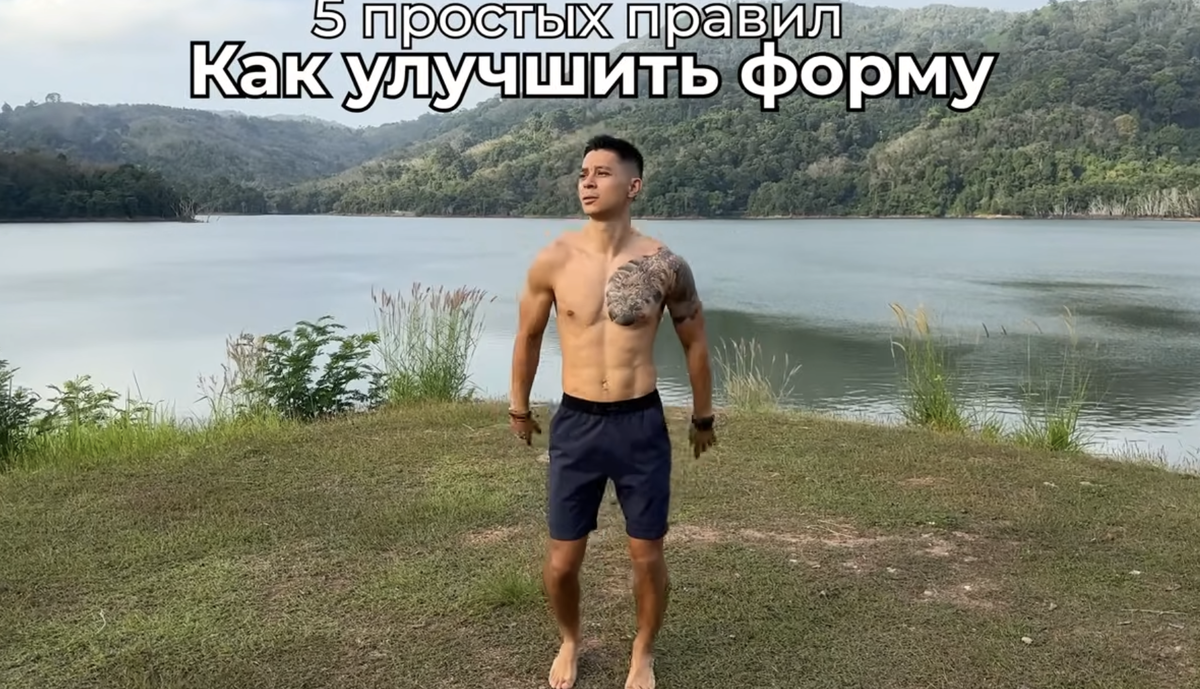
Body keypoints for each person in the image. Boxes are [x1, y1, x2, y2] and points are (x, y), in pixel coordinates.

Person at [508, 134, 717, 689]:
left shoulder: (664, 264)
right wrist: (518, 406)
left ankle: (643, 651)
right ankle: (570, 640)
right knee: (561, 561)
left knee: (646, 556)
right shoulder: (554, 259)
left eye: (602, 173)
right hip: (576, 423)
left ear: (633, 185)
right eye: (583, 173)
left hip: (639, 423)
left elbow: (695, 340)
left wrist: (703, 416)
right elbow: (528, 337)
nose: (588, 182)